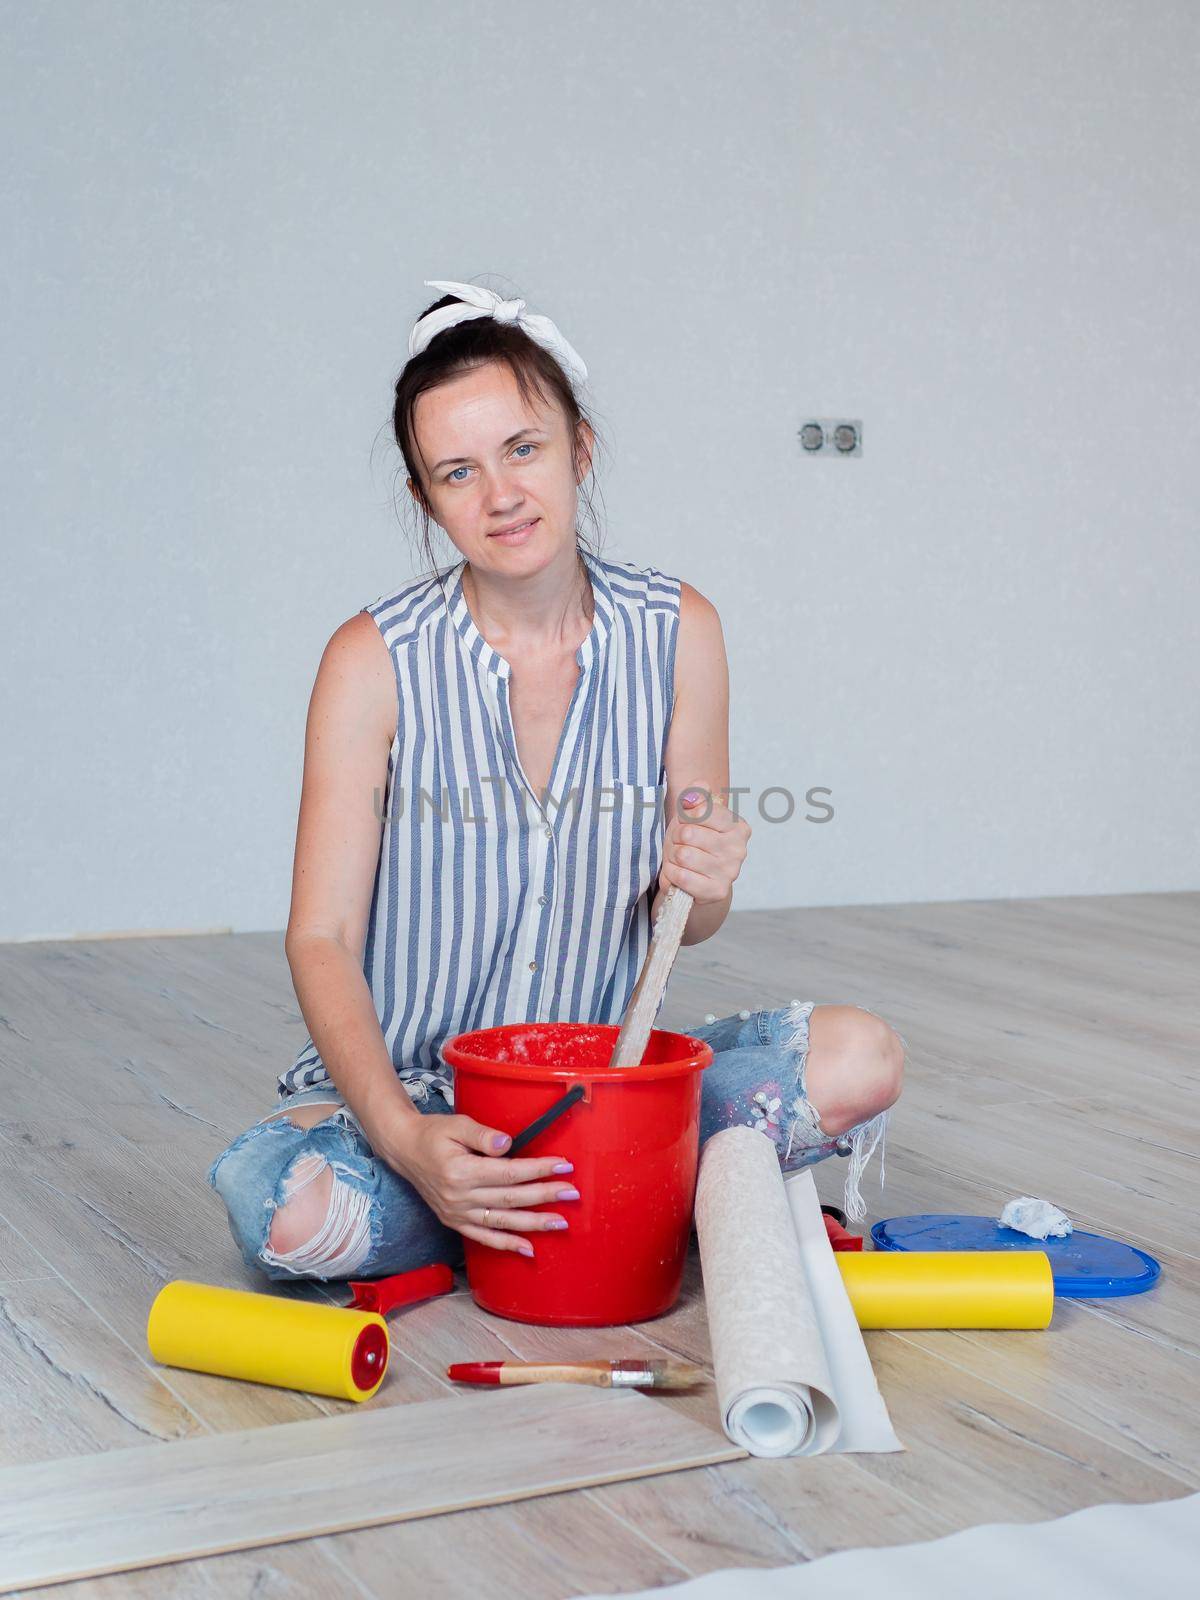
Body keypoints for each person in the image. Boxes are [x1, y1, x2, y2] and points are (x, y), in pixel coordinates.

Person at [207, 279, 905, 1283]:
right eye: (457, 471)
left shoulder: (681, 632)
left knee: (860, 1059)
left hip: (605, 1083)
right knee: (289, 1217)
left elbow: (693, 922)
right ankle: (600, 1201)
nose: (499, 494)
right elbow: (323, 937)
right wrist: (407, 1142)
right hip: (420, 1097)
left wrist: (703, 878)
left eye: (523, 449)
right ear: (425, 498)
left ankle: (536, 1203)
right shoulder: (372, 659)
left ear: (580, 448)